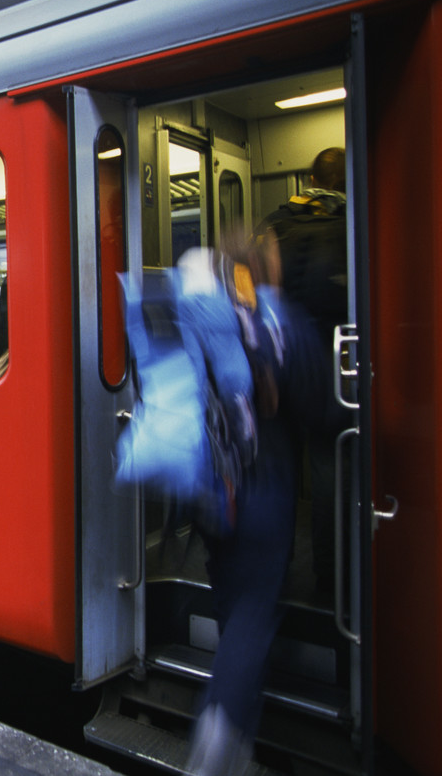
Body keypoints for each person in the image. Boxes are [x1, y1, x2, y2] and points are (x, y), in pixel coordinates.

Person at [186, 230, 318, 776]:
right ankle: (222, 728)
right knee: (253, 612)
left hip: (215, 487)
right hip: (266, 488)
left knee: (229, 598)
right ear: (266, 268)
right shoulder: (282, 322)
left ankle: (240, 736)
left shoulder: (205, 315)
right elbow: (321, 408)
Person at [256, 147, 347, 598]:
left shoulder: (274, 222)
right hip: (334, 364)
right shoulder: (356, 223)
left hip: (280, 360)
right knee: (329, 467)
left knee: (279, 466)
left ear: (309, 178)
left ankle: (277, 565)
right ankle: (330, 576)